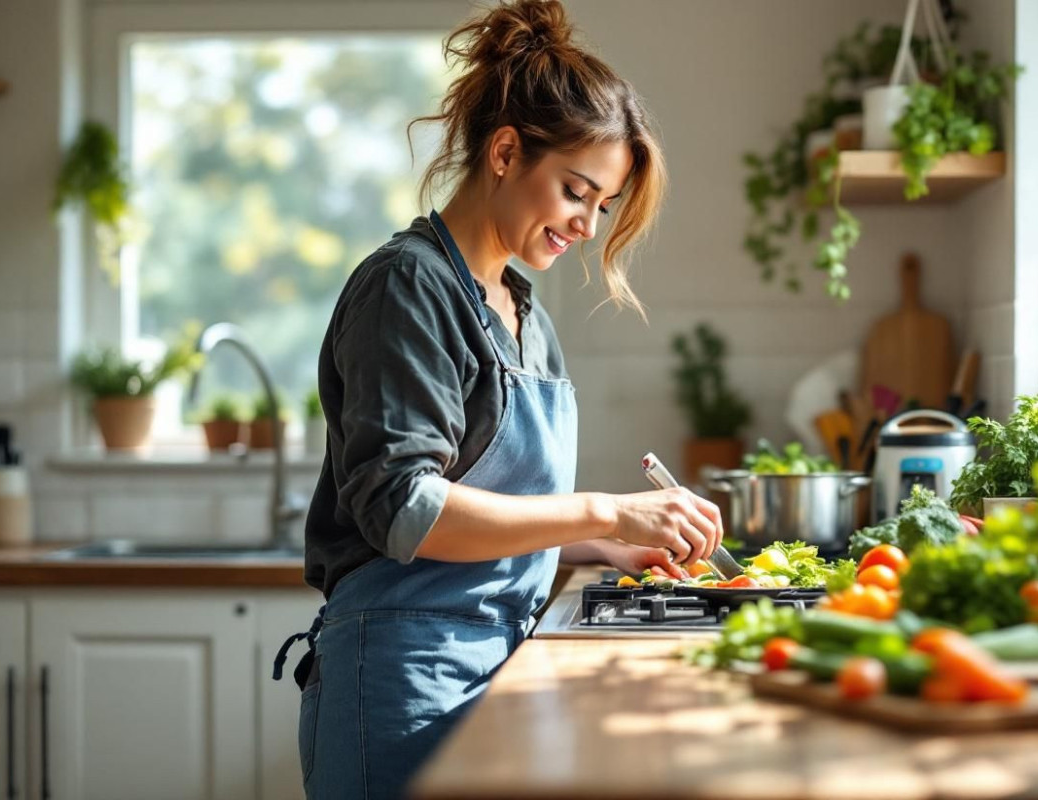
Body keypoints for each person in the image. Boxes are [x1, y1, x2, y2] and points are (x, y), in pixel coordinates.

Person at [273, 2, 723, 797]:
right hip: (401, 684)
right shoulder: (407, 286)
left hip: (494, 668)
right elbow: (405, 510)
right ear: (507, 151)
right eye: (576, 191)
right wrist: (605, 514)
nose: (587, 224)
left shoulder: (524, 313)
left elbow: (499, 509)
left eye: (602, 206)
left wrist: (606, 551)